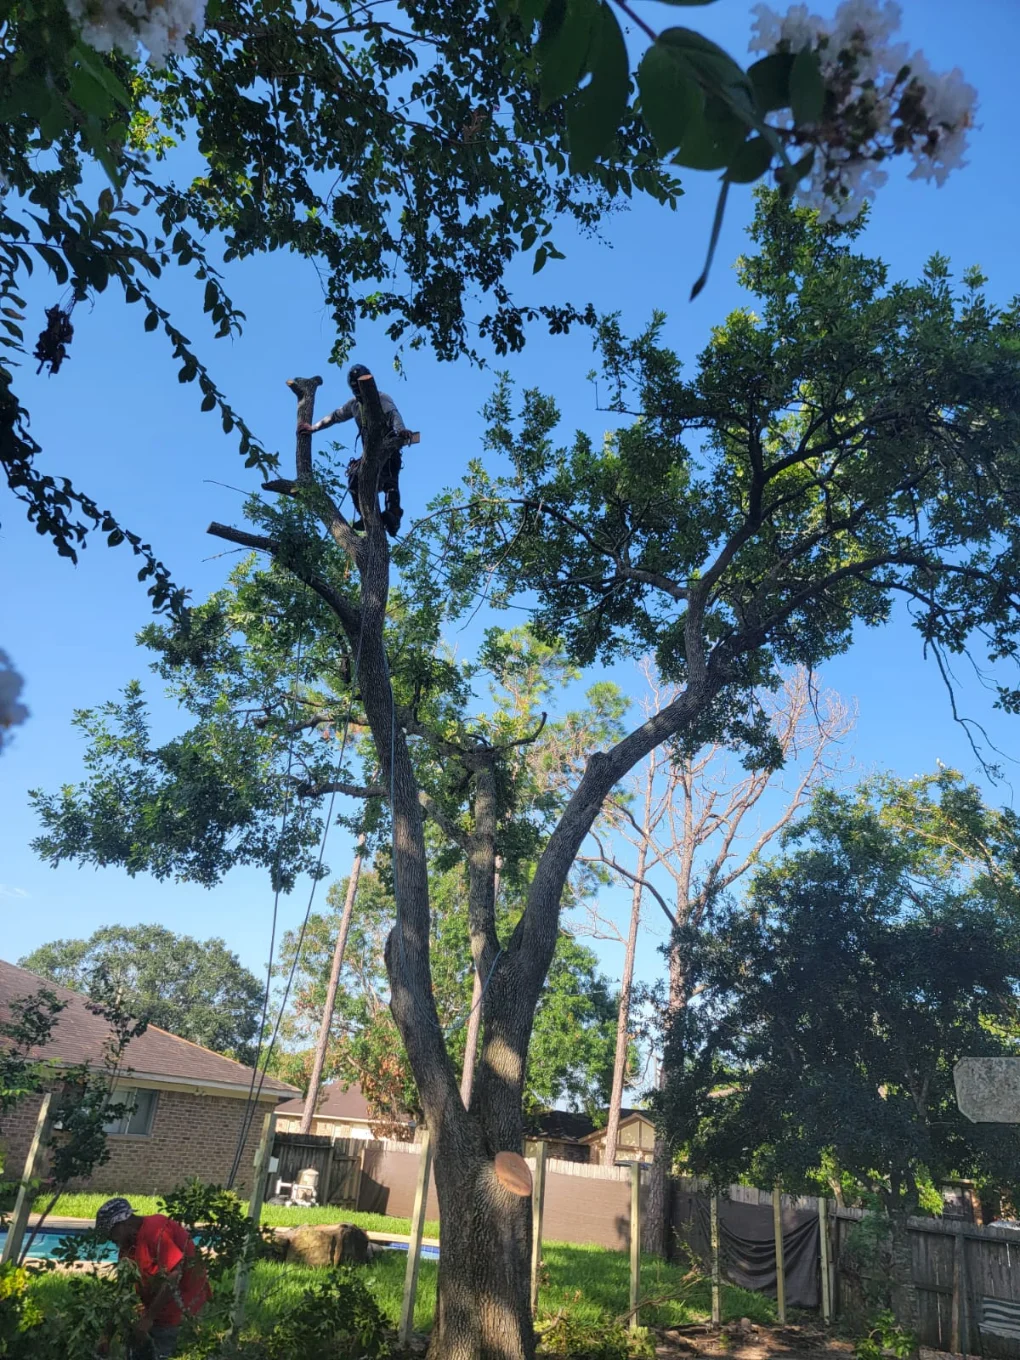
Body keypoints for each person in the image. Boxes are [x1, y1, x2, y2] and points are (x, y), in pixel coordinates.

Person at [297, 362, 415, 536]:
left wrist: (401, 431)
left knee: (389, 480)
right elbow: (335, 417)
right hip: (369, 454)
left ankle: (393, 515)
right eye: (356, 391)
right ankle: (367, 516)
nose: (359, 394)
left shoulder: (382, 399)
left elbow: (394, 415)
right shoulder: (354, 405)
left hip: (388, 450)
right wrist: (313, 428)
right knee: (354, 479)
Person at [95, 1197, 211, 1359]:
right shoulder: (127, 1248)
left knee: (163, 1350)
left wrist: (149, 1318)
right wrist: (107, 1335)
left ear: (123, 1223)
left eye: (111, 1232)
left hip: (181, 1305)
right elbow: (122, 1291)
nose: (110, 1238)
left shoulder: (156, 1230)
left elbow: (174, 1276)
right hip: (155, 1307)